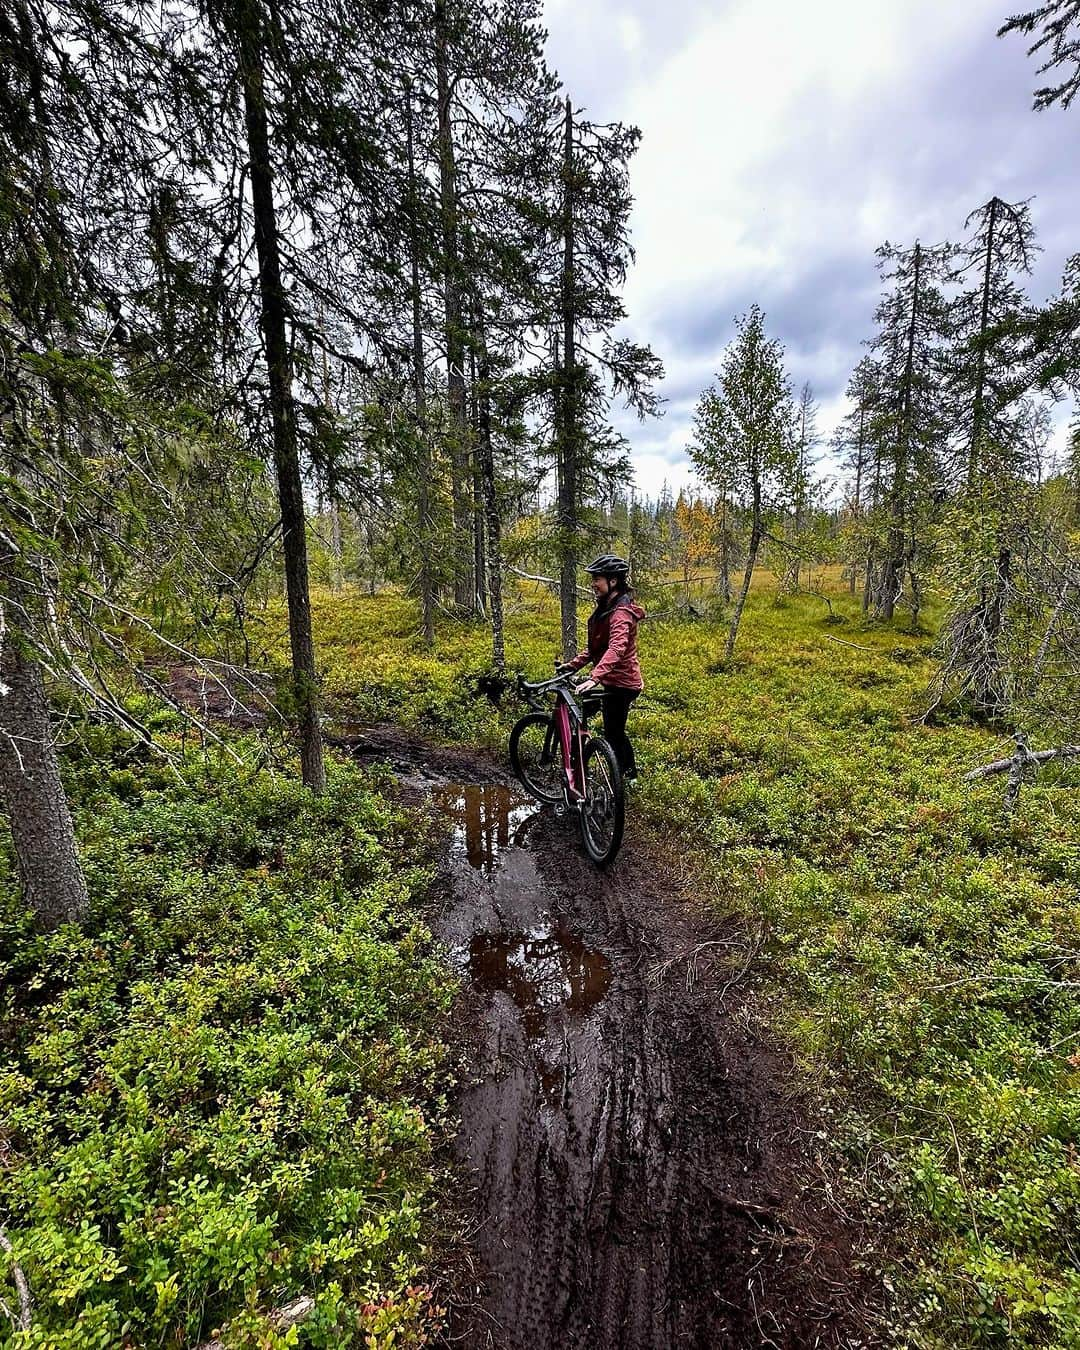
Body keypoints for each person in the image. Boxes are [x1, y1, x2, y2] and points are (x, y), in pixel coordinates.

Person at [558, 554, 645, 781]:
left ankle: (627, 777)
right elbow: (598, 649)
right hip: (611, 679)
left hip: (623, 683)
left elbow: (616, 648)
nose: (593, 584)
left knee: (614, 733)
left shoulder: (621, 613)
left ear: (613, 581)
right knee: (612, 731)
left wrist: (594, 678)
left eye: (597, 578)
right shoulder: (608, 607)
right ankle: (619, 772)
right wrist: (572, 666)